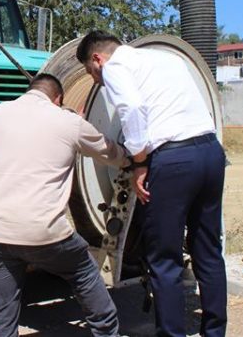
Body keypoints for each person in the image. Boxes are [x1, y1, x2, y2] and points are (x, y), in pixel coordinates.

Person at [77, 31, 227, 337]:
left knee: (165, 259)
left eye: (92, 74)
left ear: (97, 59)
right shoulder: (166, 58)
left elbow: (132, 109)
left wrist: (140, 162)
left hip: (173, 162)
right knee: (208, 252)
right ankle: (215, 333)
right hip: (211, 153)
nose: (96, 81)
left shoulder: (115, 67)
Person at [0, 73, 130, 337]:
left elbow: (32, 131)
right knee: (84, 271)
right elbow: (109, 152)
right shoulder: (68, 122)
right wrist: (133, 161)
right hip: (42, 231)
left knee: (1, 317)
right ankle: (107, 332)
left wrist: (69, 118)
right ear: (58, 98)